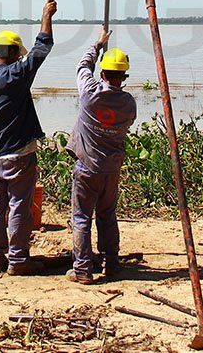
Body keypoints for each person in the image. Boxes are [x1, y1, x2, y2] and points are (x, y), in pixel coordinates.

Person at [0, 0, 56, 275]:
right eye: (17, 54)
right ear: (11, 53)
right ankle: (19, 260)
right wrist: (46, 16)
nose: (20, 58)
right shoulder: (14, 76)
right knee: (20, 204)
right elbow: (41, 49)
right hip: (19, 154)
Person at [65, 27, 137, 284]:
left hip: (87, 166)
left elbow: (82, 67)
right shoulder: (129, 103)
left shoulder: (90, 94)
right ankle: (112, 263)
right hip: (111, 169)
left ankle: (83, 269)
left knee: (82, 216)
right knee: (107, 214)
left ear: (103, 73)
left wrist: (97, 44)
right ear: (123, 76)